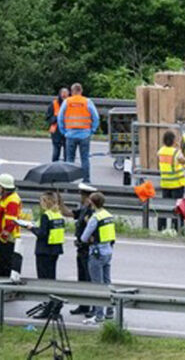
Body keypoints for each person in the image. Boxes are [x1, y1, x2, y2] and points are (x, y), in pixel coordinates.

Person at [79, 191, 115, 324]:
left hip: (96, 252)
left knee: (97, 285)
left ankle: (99, 315)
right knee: (107, 282)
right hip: (108, 251)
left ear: (92, 203)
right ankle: (110, 311)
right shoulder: (108, 215)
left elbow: (83, 237)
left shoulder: (95, 218)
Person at [57, 83, 100, 183]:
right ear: (81, 91)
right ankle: (86, 180)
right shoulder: (87, 101)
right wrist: (92, 130)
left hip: (70, 134)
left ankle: (69, 180)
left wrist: (63, 131)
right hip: (85, 134)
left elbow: (60, 117)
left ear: (71, 92)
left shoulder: (67, 102)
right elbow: (96, 117)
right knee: (84, 158)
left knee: (69, 159)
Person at [0, 174, 23, 280]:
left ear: (5, 188)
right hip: (0, 241)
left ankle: (5, 290)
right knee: (1, 267)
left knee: (5, 268)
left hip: (5, 241)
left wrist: (1, 238)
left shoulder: (12, 200)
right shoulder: (4, 198)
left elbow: (10, 222)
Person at [69, 183, 97, 316]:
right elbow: (68, 213)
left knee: (89, 278)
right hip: (81, 249)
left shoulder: (92, 212)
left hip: (88, 249)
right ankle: (83, 305)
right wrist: (60, 201)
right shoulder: (84, 209)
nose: (80, 197)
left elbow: (93, 232)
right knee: (82, 278)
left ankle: (93, 307)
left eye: (81, 195)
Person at [25, 192, 65, 284]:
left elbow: (42, 234)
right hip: (55, 249)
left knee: (43, 277)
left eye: (41, 201)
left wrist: (31, 229)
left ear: (46, 202)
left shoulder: (46, 216)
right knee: (51, 275)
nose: (40, 203)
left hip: (44, 250)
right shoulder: (58, 214)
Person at [157, 131, 185, 231]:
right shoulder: (176, 152)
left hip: (165, 183)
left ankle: (161, 228)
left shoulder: (160, 151)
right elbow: (184, 161)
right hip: (176, 184)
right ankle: (176, 229)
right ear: (173, 140)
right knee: (177, 209)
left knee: (163, 207)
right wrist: (179, 148)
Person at [46, 87, 68, 163]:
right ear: (60, 94)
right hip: (56, 130)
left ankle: (67, 166)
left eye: (66, 93)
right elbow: (48, 118)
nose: (64, 95)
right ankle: (54, 166)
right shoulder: (54, 104)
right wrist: (57, 118)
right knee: (56, 150)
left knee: (67, 151)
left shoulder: (70, 104)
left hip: (67, 130)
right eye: (63, 93)